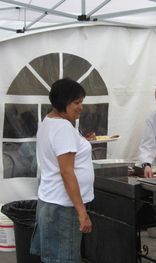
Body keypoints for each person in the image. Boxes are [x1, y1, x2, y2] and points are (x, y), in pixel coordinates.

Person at [30, 78, 94, 263]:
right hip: (63, 208)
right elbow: (67, 172)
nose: (81, 107)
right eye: (76, 102)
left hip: (52, 202)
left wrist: (82, 143)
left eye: (81, 101)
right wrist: (82, 212)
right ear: (62, 102)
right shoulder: (62, 128)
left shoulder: (49, 121)